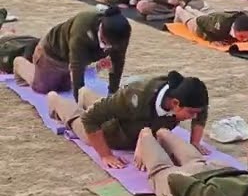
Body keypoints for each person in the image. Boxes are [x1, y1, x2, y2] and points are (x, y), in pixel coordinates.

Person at [46, 71, 210, 169]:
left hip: (129, 117)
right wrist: (106, 155)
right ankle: (56, 101)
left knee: (108, 106)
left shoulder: (185, 94)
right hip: (114, 130)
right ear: (175, 103)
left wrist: (195, 142)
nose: (194, 117)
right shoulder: (136, 97)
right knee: (83, 125)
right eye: (191, 113)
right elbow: (90, 119)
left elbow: (201, 112)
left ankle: (86, 94)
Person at [15, 7, 131, 97]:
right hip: (52, 53)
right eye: (108, 45)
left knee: (64, 88)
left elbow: (118, 62)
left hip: (68, 59)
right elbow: (77, 66)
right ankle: (20, 63)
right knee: (42, 88)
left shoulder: (121, 37)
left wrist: (112, 93)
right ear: (102, 33)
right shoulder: (82, 29)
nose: (110, 48)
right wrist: (80, 103)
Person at [174, 6, 248, 44]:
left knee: (204, 16)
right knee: (190, 20)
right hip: (200, 26)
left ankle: (189, 8)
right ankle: (179, 10)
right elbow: (200, 21)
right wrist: (212, 40)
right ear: (237, 29)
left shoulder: (240, 21)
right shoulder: (221, 26)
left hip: (212, 18)